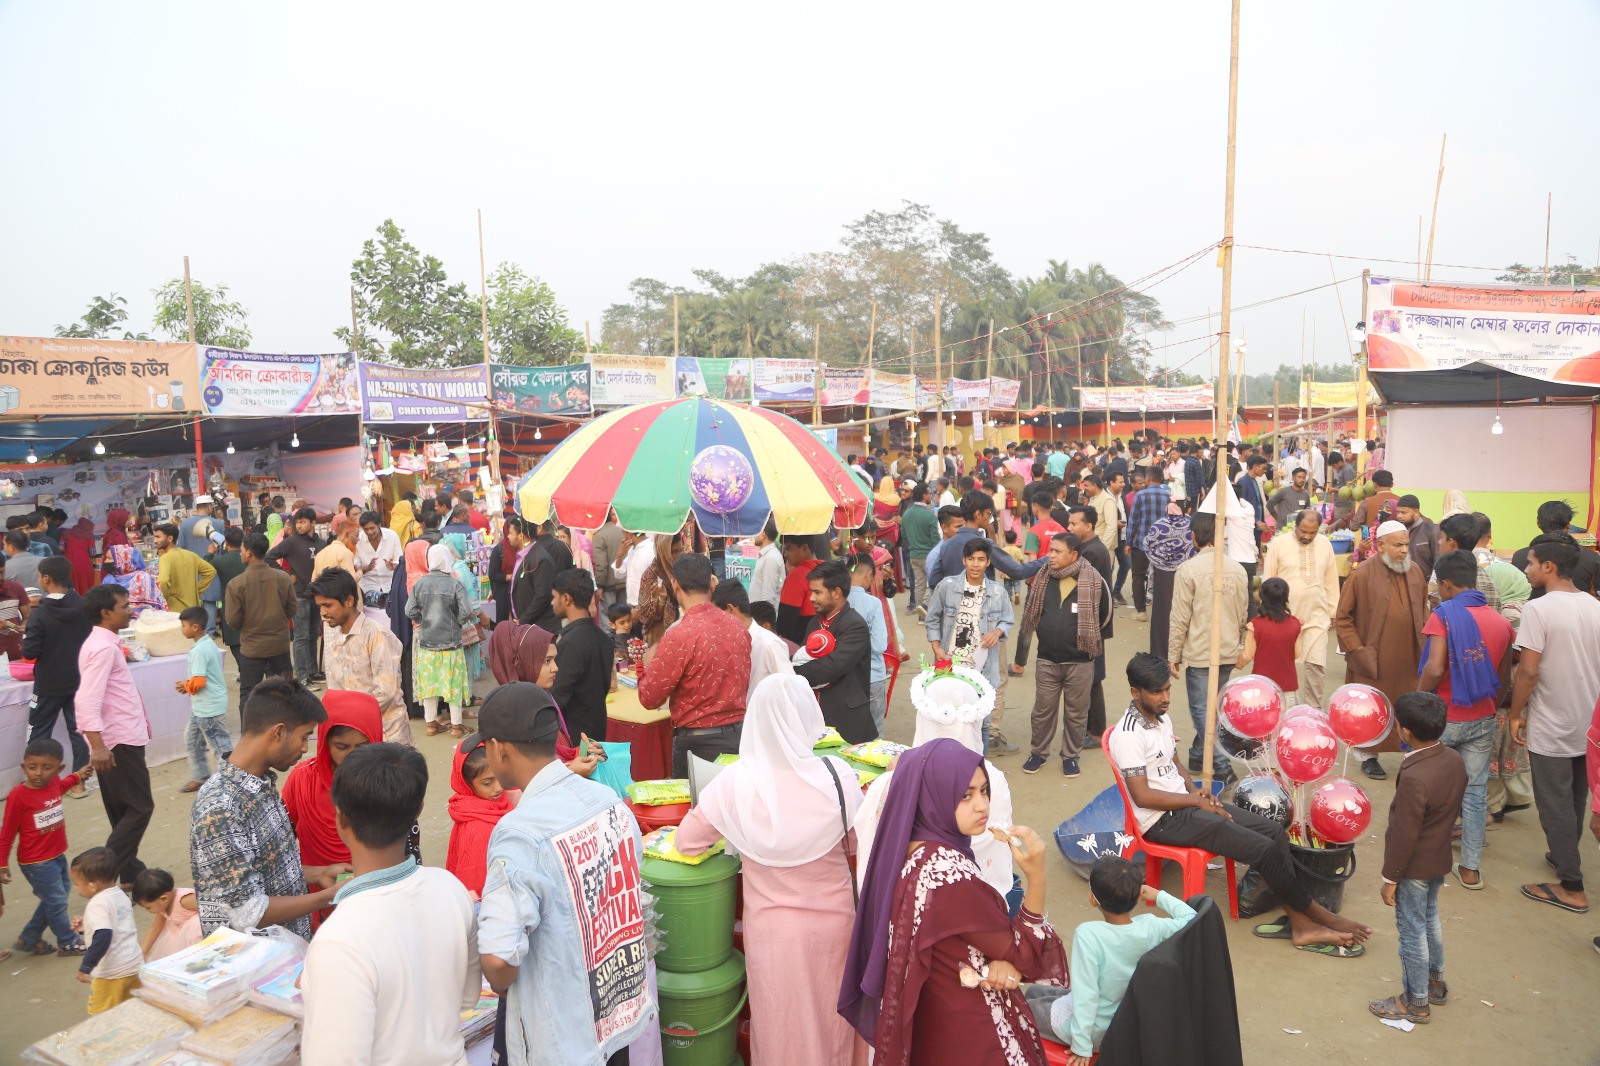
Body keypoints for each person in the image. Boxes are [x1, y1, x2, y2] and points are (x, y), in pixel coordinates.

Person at [1111, 653, 1371, 955]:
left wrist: (1197, 790)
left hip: (1185, 805)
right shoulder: (1127, 736)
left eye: (1168, 689)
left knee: (1274, 831)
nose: (1165, 697)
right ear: (1135, 692)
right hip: (1161, 821)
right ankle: (1316, 915)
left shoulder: (1161, 717)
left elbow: (1173, 761)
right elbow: (1142, 796)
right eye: (1157, 692)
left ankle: (1301, 921)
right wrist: (1193, 800)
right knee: (1261, 848)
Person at [838, 739, 1066, 1066]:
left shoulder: (906, 849)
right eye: (965, 795)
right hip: (974, 1033)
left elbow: (940, 944)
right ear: (933, 794)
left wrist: (980, 966)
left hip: (934, 1020)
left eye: (984, 791)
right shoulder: (951, 875)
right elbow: (1028, 957)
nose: (982, 806)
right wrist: (1038, 877)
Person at [675, 675, 863, 1066]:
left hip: (774, 935)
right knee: (836, 1021)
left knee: (781, 1027)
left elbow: (686, 842)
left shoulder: (734, 782)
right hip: (836, 925)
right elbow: (860, 842)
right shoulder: (837, 775)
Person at [476, 683, 654, 1066]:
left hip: (561, 1041)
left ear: (499, 748)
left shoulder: (519, 833)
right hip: (613, 1020)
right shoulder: (608, 802)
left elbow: (499, 962)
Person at [301, 742, 481, 1065]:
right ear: (418, 810)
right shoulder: (452, 890)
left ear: (341, 820)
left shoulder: (339, 941)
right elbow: (468, 997)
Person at [190, 677, 350, 939]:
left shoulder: (261, 785)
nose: (303, 748)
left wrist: (320, 873)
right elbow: (248, 913)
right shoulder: (221, 808)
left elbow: (266, 872)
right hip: (256, 968)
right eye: (304, 737)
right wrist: (327, 897)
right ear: (278, 732)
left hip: (286, 953)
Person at [1024, 856, 1196, 1061]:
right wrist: (1158, 896)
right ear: (1139, 895)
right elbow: (1192, 919)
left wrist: (1081, 1046)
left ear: (1092, 899)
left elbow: (1087, 994)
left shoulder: (1089, 935)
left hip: (1094, 1033)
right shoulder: (1152, 926)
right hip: (1123, 1023)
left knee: (1024, 1005)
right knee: (1035, 991)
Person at [1510, 533, 1600, 914]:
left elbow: (1528, 671)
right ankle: (1565, 856)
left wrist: (1516, 713)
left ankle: (1571, 886)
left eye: (1531, 562)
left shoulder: (1539, 609)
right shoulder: (1595, 606)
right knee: (1576, 795)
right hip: (1589, 720)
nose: (1527, 569)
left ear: (1549, 566)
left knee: (1554, 803)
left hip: (1553, 720)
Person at [1417, 551, 1515, 891]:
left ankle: (1424, 857)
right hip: (1483, 716)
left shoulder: (1443, 616)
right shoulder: (1501, 622)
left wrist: (1416, 701)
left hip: (1442, 717)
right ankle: (1470, 869)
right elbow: (1503, 678)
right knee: (1474, 793)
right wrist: (1489, 705)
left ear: (1445, 584)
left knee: (1425, 788)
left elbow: (1433, 668)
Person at [1370, 691, 1468, 1026]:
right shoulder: (1453, 759)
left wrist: (1390, 877)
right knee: (1429, 920)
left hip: (1413, 868)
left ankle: (1416, 1001)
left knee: (1411, 930)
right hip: (1438, 859)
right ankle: (1434, 983)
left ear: (1406, 731)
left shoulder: (1414, 775)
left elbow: (1404, 833)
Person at [639, 553, 753, 772]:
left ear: (674, 585)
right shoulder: (737, 627)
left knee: (696, 806)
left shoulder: (680, 634)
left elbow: (650, 698)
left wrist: (648, 665)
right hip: (739, 736)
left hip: (698, 745)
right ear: (712, 584)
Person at [1334, 521, 1426, 781]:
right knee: (1370, 708)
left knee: (1408, 706)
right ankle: (1368, 757)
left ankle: (1410, 754)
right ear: (1380, 545)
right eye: (1398, 545)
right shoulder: (1361, 574)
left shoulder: (1416, 571)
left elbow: (1424, 609)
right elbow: (1343, 618)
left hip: (1409, 656)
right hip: (1372, 659)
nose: (1403, 550)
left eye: (1406, 544)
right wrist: (1357, 649)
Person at [76, 585, 153, 888]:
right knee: (139, 808)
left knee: (123, 810)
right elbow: (86, 700)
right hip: (117, 741)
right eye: (124, 606)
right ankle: (100, 875)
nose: (130, 610)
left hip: (116, 738)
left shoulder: (102, 643)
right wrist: (97, 746)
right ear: (106, 613)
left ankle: (131, 874)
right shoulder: (103, 647)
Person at [1019, 533, 1109, 781]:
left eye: (1058, 551)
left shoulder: (1092, 580)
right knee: (1042, 710)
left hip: (1079, 662)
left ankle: (1070, 757)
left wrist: (1083, 640)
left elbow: (1103, 616)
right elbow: (1032, 613)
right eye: (1051, 550)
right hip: (1047, 658)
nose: (1052, 556)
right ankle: (1038, 753)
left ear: (1074, 555)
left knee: (1076, 712)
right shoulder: (1043, 579)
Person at [1168, 514, 1248, 783]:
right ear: (1220, 536)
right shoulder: (1237, 569)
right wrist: (1237, 644)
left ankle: (1222, 765)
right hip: (1225, 648)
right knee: (1215, 709)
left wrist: (1173, 655)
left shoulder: (1188, 570)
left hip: (1202, 652)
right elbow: (1242, 613)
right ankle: (1197, 753)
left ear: (1193, 536)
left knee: (1203, 709)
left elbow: (1180, 617)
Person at [283, 690, 386, 883]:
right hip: (317, 895)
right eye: (341, 747)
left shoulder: (387, 783)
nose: (352, 756)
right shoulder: (303, 779)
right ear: (324, 743)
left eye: (362, 747)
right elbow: (280, 840)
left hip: (372, 892)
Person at [1, 737, 91, 958]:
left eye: (46, 768)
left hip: (57, 855)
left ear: (58, 768)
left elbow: (62, 785)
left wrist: (78, 775)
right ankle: (67, 941)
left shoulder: (53, 785)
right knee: (57, 900)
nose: (38, 773)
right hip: (36, 863)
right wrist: (2, 863)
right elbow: (7, 832)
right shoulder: (18, 796)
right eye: (32, 768)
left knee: (55, 898)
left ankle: (29, 938)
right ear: (24, 767)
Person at [927, 538, 1014, 733]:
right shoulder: (947, 586)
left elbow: (1008, 620)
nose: (976, 564)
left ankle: (979, 763)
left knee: (981, 723)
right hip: (950, 666)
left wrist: (998, 631)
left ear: (988, 562)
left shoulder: (998, 593)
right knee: (949, 719)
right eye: (971, 559)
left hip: (983, 669)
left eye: (981, 559)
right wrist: (936, 647)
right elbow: (932, 618)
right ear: (964, 560)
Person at [1260, 509, 1340, 708]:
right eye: (1303, 531)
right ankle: (1280, 710)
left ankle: (1313, 713)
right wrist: (1269, 612)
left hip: (1317, 615)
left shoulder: (1325, 544)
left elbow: (1331, 579)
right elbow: (1268, 579)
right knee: (1283, 668)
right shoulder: (1278, 544)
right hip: (1284, 617)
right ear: (1295, 526)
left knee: (1316, 666)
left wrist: (1332, 611)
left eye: (1312, 533)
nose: (1307, 536)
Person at [21, 557, 92, 783]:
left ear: (46, 578)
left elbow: (30, 653)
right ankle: (78, 782)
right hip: (79, 679)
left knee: (39, 731)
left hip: (49, 683)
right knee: (79, 730)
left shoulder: (40, 614)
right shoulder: (83, 606)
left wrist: (26, 637)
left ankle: (39, 781)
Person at [795, 559, 878, 744]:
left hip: (845, 720)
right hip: (813, 715)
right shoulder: (814, 623)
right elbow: (802, 657)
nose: (811, 598)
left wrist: (792, 673)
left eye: (817, 592)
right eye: (811, 592)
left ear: (836, 593)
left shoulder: (855, 625)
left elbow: (832, 666)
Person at [408, 544, 477, 738]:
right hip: (451, 643)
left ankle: (431, 725)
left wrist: (424, 621)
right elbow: (467, 610)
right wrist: (455, 623)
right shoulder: (454, 583)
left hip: (427, 644)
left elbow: (409, 610)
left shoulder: (420, 583)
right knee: (454, 686)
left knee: (430, 686)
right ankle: (456, 727)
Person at [226, 532, 297, 712]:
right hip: (279, 645)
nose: (240, 553)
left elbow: (233, 620)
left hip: (252, 648)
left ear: (249, 552)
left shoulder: (236, 584)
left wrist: (249, 626)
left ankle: (250, 736)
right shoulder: (282, 578)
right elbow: (291, 609)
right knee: (284, 692)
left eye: (242, 549)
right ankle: (284, 732)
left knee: (249, 695)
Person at [69, 847, 142, 1014]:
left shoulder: (97, 904)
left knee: (101, 1015)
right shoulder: (121, 895)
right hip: (134, 964)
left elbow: (104, 935)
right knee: (133, 1010)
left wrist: (86, 967)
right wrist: (85, 928)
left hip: (111, 973)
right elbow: (116, 928)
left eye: (76, 884)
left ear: (92, 885)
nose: (76, 888)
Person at [446, 732, 518, 898]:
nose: (498, 788)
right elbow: (475, 885)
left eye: (500, 776)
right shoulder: (476, 828)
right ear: (467, 783)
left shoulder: (501, 803)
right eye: (487, 783)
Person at [551, 569, 613, 743]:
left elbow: (559, 695)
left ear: (566, 599)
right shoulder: (603, 639)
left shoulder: (570, 643)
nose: (552, 602)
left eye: (554, 597)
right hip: (598, 729)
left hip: (576, 735)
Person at [175, 606, 231, 793]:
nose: (182, 629)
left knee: (220, 746)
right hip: (201, 706)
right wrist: (189, 686)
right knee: (192, 740)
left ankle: (232, 780)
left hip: (208, 709)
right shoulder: (207, 645)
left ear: (195, 627)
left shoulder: (200, 650)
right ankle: (201, 776)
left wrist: (186, 685)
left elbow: (199, 681)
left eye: (183, 625)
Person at [712, 579, 793, 702]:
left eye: (716, 614)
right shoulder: (725, 641)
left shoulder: (769, 643)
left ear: (730, 610)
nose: (714, 621)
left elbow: (790, 687)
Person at [267, 508, 324, 683]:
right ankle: (302, 676)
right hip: (299, 596)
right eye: (297, 522)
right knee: (301, 636)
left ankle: (313, 671)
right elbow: (269, 557)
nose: (299, 526)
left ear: (312, 523)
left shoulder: (321, 544)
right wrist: (285, 575)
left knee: (314, 634)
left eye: (303, 522)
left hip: (317, 595)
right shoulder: (290, 542)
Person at [845, 552, 893, 735]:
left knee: (848, 732)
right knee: (874, 733)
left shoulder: (837, 601)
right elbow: (880, 645)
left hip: (845, 676)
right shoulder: (872, 603)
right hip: (872, 676)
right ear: (868, 575)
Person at [1511, 500, 1600, 598]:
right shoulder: (1592, 558)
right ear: (1568, 525)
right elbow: (1596, 594)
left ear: (1538, 523)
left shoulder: (1519, 557)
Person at [1237, 577, 1301, 695]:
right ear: (1286, 597)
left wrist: (1236, 664)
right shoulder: (1295, 623)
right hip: (1288, 686)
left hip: (1262, 686)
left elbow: (1247, 656)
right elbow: (1297, 653)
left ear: (1262, 597)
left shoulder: (1255, 625)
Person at [130, 868, 201, 961]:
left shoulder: (184, 900)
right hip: (178, 937)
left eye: (148, 907)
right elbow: (155, 928)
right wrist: (141, 953)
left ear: (164, 898)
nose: (148, 911)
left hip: (197, 934)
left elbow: (211, 906)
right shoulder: (163, 906)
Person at [508, 517, 560, 633]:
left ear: (521, 536)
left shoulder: (540, 559)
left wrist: (523, 619)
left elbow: (542, 596)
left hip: (539, 628)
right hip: (525, 626)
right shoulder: (523, 556)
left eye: (511, 533)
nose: (508, 537)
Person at [152, 522, 217, 615]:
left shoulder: (165, 558)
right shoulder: (191, 555)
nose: (155, 540)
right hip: (193, 610)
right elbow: (211, 572)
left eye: (158, 537)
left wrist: (164, 600)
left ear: (170, 538)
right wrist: (196, 590)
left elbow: (163, 580)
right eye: (155, 537)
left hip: (175, 612)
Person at [211, 526, 246, 666]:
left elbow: (205, 568)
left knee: (234, 639)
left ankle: (242, 668)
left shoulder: (219, 561)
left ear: (227, 543)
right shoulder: (249, 558)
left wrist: (210, 553)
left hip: (229, 604)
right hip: (250, 603)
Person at [101, 543, 166, 617]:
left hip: (141, 623)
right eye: (106, 558)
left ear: (122, 560)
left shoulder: (143, 578)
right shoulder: (108, 579)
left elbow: (155, 607)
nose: (105, 561)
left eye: (109, 558)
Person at [356, 510, 403, 608]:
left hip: (389, 586)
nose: (369, 532)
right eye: (366, 529)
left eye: (372, 528)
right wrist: (366, 568)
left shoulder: (392, 536)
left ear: (379, 525)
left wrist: (392, 566)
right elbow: (355, 566)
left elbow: (399, 560)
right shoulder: (358, 539)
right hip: (367, 588)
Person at [1394, 494, 1440, 581]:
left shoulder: (1432, 530)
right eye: (1398, 512)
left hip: (1425, 586)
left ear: (1416, 512)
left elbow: (1438, 561)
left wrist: (1432, 589)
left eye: (1404, 512)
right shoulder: (1399, 532)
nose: (1399, 516)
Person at [57, 518, 96, 596]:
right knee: (84, 582)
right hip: (84, 563)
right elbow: (92, 552)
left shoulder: (67, 532)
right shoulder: (89, 535)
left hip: (69, 561)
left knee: (71, 581)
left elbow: (61, 548)